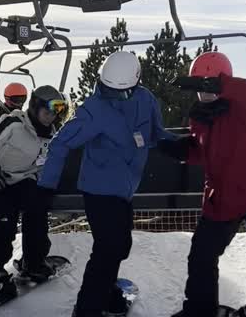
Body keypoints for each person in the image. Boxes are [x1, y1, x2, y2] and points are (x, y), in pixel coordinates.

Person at [37, 51, 177, 316]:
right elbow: (60, 144)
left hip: (125, 188)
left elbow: (156, 133)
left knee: (120, 246)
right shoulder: (94, 109)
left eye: (120, 93)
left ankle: (107, 290)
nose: (113, 97)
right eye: (108, 90)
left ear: (135, 83)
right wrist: (46, 186)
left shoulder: (146, 100)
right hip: (98, 189)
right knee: (107, 249)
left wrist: (177, 146)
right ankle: (88, 307)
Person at [161, 52, 246, 317]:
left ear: (223, 83)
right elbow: (202, 151)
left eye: (208, 86)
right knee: (201, 255)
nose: (204, 94)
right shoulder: (201, 117)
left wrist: (218, 84)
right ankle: (199, 310)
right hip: (223, 197)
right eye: (199, 88)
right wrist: (175, 149)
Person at [0, 85, 68, 297]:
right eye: (47, 112)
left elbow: (42, 164)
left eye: (55, 113)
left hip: (22, 179)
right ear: (35, 107)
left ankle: (32, 261)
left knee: (37, 210)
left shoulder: (50, 135)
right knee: (7, 218)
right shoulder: (14, 123)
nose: (50, 118)